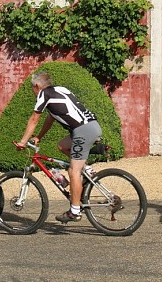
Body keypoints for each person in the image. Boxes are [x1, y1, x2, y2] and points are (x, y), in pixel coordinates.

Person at [17, 71, 102, 223]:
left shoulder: (43, 94)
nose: (33, 92)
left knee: (73, 171)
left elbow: (34, 118)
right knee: (62, 146)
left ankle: (75, 211)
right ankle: (87, 169)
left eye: (33, 89)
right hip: (91, 126)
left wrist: (23, 141)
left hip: (82, 131)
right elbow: (51, 117)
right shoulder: (61, 90)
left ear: (37, 86)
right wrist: (39, 137)